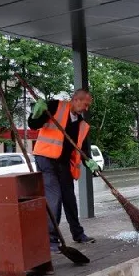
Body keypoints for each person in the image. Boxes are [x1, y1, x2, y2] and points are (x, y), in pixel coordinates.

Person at [28, 89, 98, 253]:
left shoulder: (81, 124)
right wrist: (36, 114)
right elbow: (34, 125)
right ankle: (51, 239)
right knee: (54, 196)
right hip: (45, 158)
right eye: (85, 104)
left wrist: (89, 162)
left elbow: (83, 149)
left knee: (69, 197)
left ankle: (78, 234)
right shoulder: (54, 107)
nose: (86, 109)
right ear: (76, 100)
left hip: (63, 162)